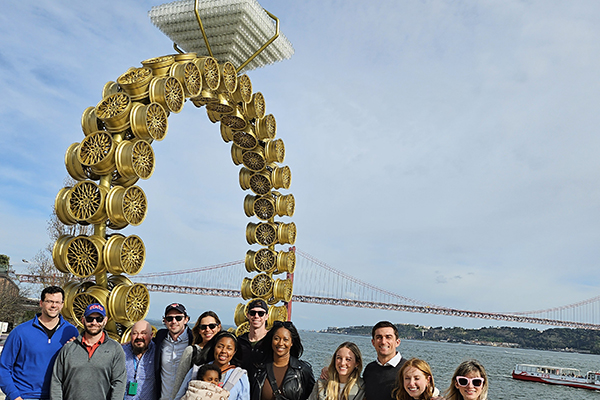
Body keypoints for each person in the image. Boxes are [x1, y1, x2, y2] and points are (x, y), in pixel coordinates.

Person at [0, 286, 78, 400]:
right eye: (49, 301)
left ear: (62, 304)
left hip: (56, 396)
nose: (53, 305)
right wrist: (15, 396)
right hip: (24, 395)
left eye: (57, 302)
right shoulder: (21, 332)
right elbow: (4, 367)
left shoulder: (71, 332)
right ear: (41, 303)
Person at [50, 303, 127, 400]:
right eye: (90, 319)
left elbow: (119, 383)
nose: (94, 323)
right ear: (83, 320)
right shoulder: (68, 348)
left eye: (99, 319)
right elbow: (56, 381)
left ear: (105, 320)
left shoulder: (115, 349)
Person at [175, 331, 249, 400]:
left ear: (234, 352)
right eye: (220, 346)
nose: (223, 351)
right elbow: (180, 396)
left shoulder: (239, 376)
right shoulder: (196, 371)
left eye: (229, 348)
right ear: (214, 347)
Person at [251, 321, 315, 400]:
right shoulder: (259, 369)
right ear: (271, 340)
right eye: (276, 338)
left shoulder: (303, 370)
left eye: (285, 339)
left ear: (292, 342)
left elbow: (314, 396)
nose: (281, 343)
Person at [173, 311, 222, 397]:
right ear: (199, 330)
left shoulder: (223, 353)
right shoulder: (191, 351)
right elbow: (179, 382)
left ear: (219, 327)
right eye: (203, 327)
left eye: (212, 326)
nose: (207, 329)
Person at [154, 303, 194, 400]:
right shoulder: (160, 338)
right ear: (164, 321)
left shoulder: (194, 340)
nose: (174, 321)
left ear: (186, 319)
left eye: (178, 318)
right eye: (169, 318)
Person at [362, 321, 407, 400]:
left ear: (397, 342)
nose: (383, 342)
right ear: (373, 342)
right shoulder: (369, 369)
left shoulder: (408, 369)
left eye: (388, 337)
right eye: (379, 337)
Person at [123, 320, 156, 400]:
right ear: (130, 335)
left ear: (151, 335)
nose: (139, 337)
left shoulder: (158, 352)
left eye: (144, 333)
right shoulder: (121, 352)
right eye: (135, 333)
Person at [238, 300, 269, 377]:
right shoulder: (239, 341)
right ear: (248, 315)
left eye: (261, 313)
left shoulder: (271, 341)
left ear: (266, 316)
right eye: (253, 313)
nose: (256, 316)